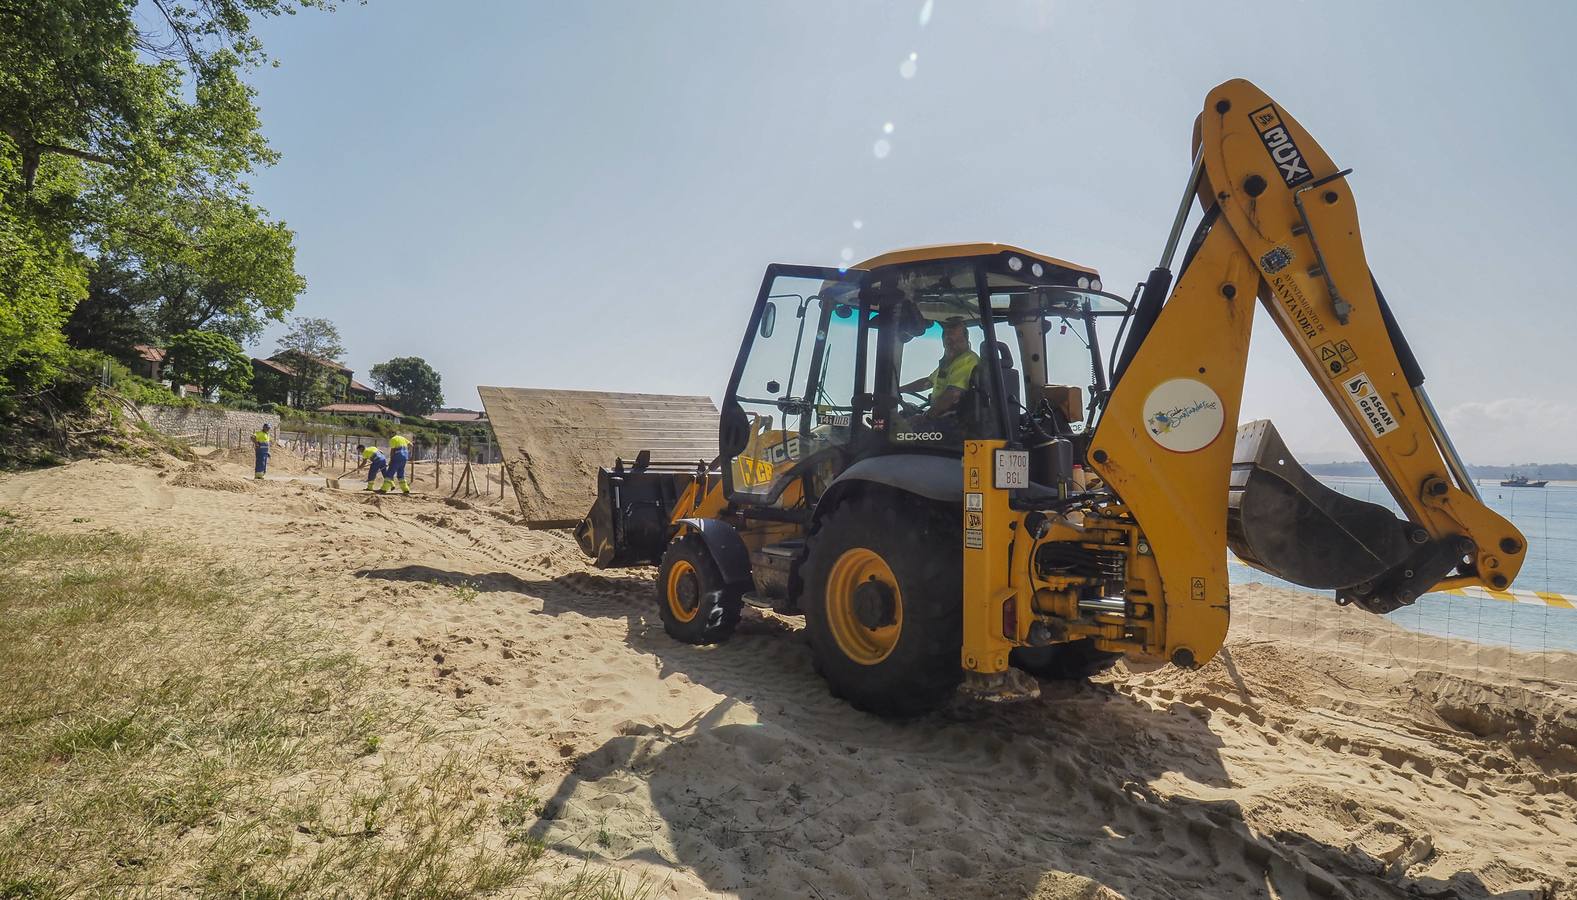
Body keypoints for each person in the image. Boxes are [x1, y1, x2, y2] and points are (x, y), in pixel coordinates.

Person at [898, 318, 979, 418]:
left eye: (957, 341)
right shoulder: (950, 361)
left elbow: (952, 395)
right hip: (941, 414)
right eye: (949, 341)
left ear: (966, 340)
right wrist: (899, 390)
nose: (952, 345)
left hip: (954, 417)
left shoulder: (967, 361)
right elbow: (927, 382)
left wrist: (926, 417)